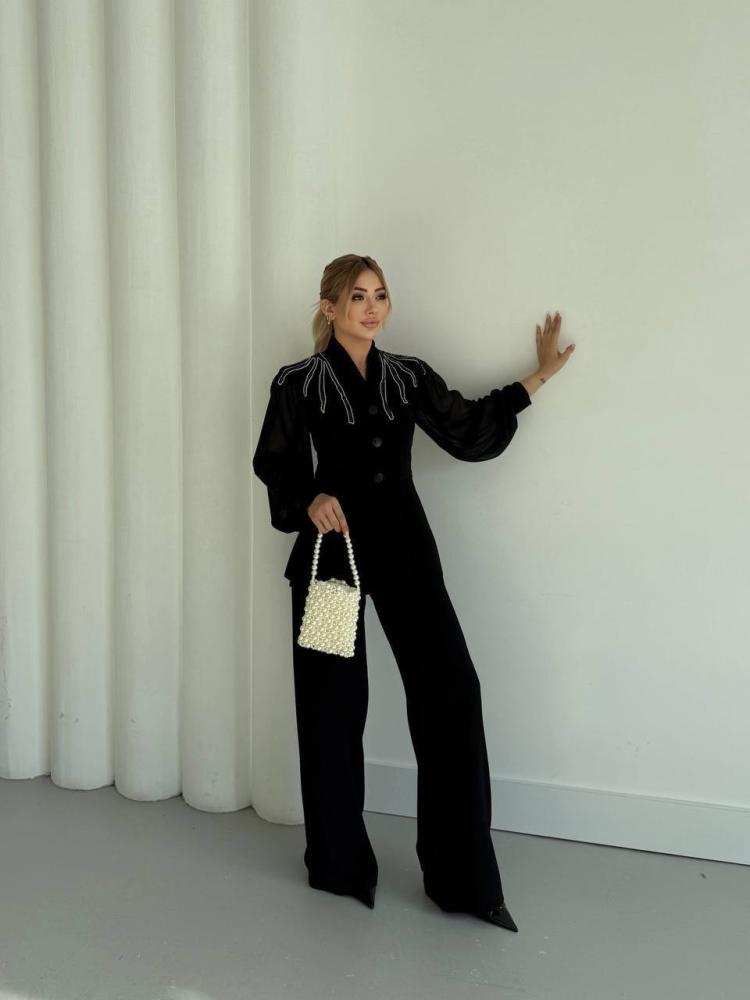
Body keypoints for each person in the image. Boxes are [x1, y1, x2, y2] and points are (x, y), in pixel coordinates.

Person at [252, 253, 575, 931]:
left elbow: (468, 428)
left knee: (451, 691)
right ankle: (339, 866)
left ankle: (462, 881)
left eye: (380, 295)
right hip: (333, 558)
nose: (372, 308)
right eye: (357, 296)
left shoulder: (408, 376)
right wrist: (309, 497)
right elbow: (273, 462)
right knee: (332, 705)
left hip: (404, 554)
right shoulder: (299, 382)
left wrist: (538, 376)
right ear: (329, 307)